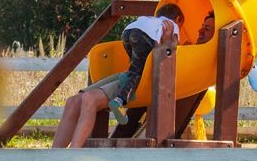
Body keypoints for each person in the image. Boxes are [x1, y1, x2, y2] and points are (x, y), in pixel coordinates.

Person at [52, 8, 215, 149]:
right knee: (73, 101)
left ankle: (72, 155)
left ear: (215, 36)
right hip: (133, 75)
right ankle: (53, 159)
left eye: (207, 29)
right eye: (202, 26)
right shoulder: (188, 46)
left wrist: (166, 45)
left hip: (143, 82)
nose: (200, 31)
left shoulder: (199, 60)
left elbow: (166, 72)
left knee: (89, 99)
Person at [108, 3, 184, 125]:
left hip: (128, 32)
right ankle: (119, 101)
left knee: (135, 66)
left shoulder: (153, 20)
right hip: (143, 36)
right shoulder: (172, 24)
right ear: (178, 19)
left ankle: (127, 81)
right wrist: (173, 48)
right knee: (140, 70)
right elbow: (174, 46)